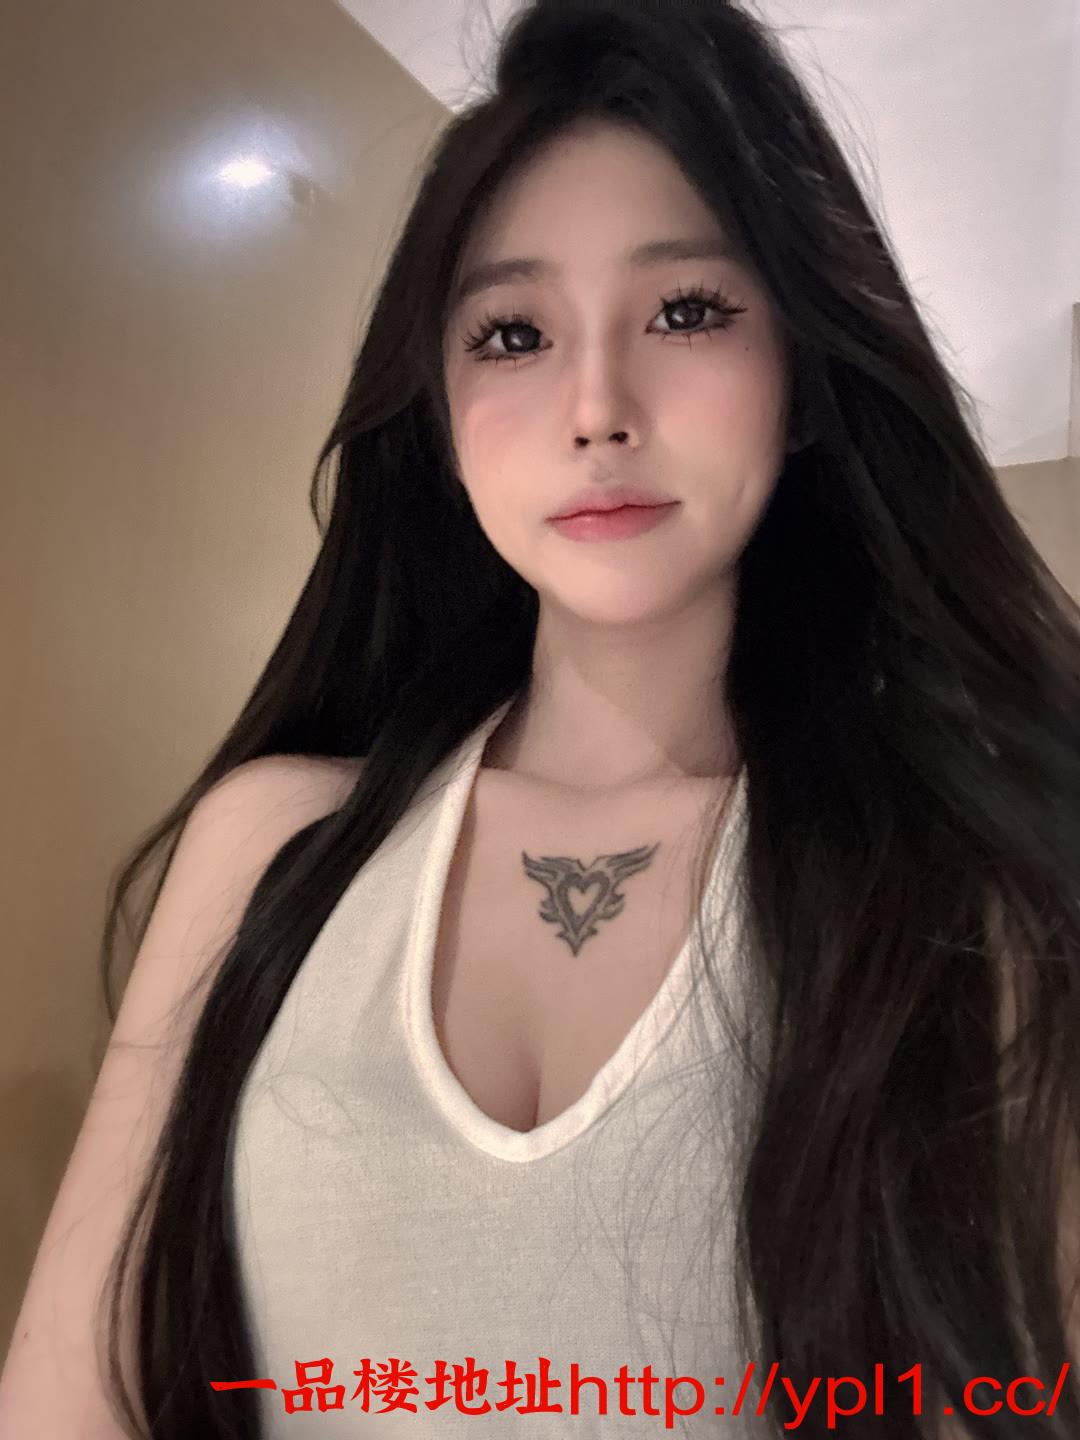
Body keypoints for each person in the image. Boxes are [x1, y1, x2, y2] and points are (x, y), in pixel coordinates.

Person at [3, 1, 1079, 1436]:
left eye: (687, 310)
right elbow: (72, 1396)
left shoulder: (964, 894)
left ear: (803, 385)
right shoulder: (267, 847)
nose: (597, 407)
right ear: (441, 418)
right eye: (511, 333)